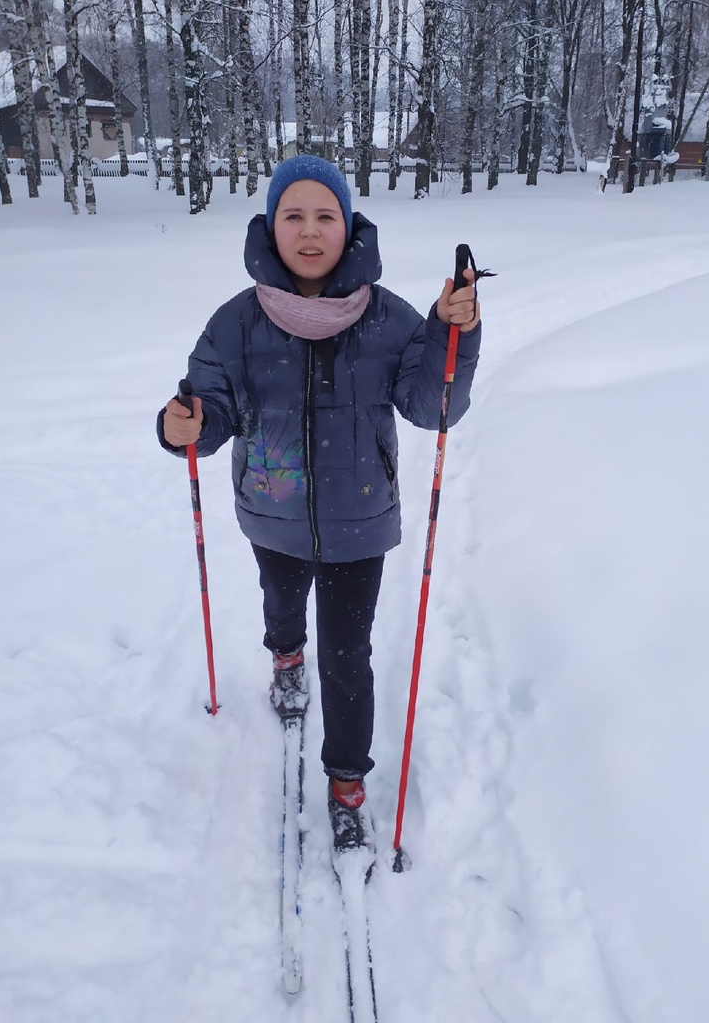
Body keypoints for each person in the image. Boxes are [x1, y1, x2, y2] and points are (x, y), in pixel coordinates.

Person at [157, 155, 481, 853]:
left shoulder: (391, 320)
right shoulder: (236, 324)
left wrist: (454, 333)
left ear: (349, 225)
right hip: (271, 510)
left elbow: (434, 405)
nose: (309, 231)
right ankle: (283, 659)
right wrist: (180, 425)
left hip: (358, 522)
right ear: (271, 226)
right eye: (293, 215)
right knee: (283, 608)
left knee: (347, 654)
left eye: (324, 215)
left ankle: (345, 782)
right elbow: (207, 412)